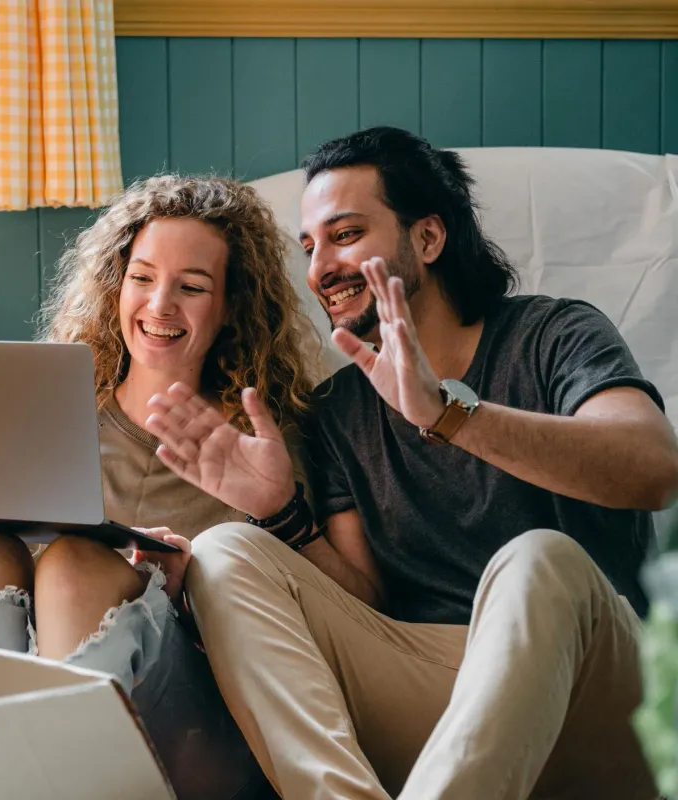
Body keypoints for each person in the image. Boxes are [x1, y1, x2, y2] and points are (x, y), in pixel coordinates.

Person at [144, 127, 678, 800]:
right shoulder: (339, 412)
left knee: (539, 559)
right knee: (224, 549)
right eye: (310, 247)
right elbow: (366, 598)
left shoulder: (553, 335)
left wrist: (449, 415)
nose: (320, 270)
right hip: (437, 687)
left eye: (345, 235)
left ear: (428, 238)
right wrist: (281, 515)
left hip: (595, 687)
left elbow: (654, 468)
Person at [0, 174, 318, 800]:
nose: (159, 305)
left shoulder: (261, 443)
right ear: (117, 285)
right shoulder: (51, 415)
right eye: (141, 278)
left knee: (71, 565)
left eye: (191, 287)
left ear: (230, 306)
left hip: (196, 727)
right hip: (33, 716)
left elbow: (308, 621)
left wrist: (190, 592)